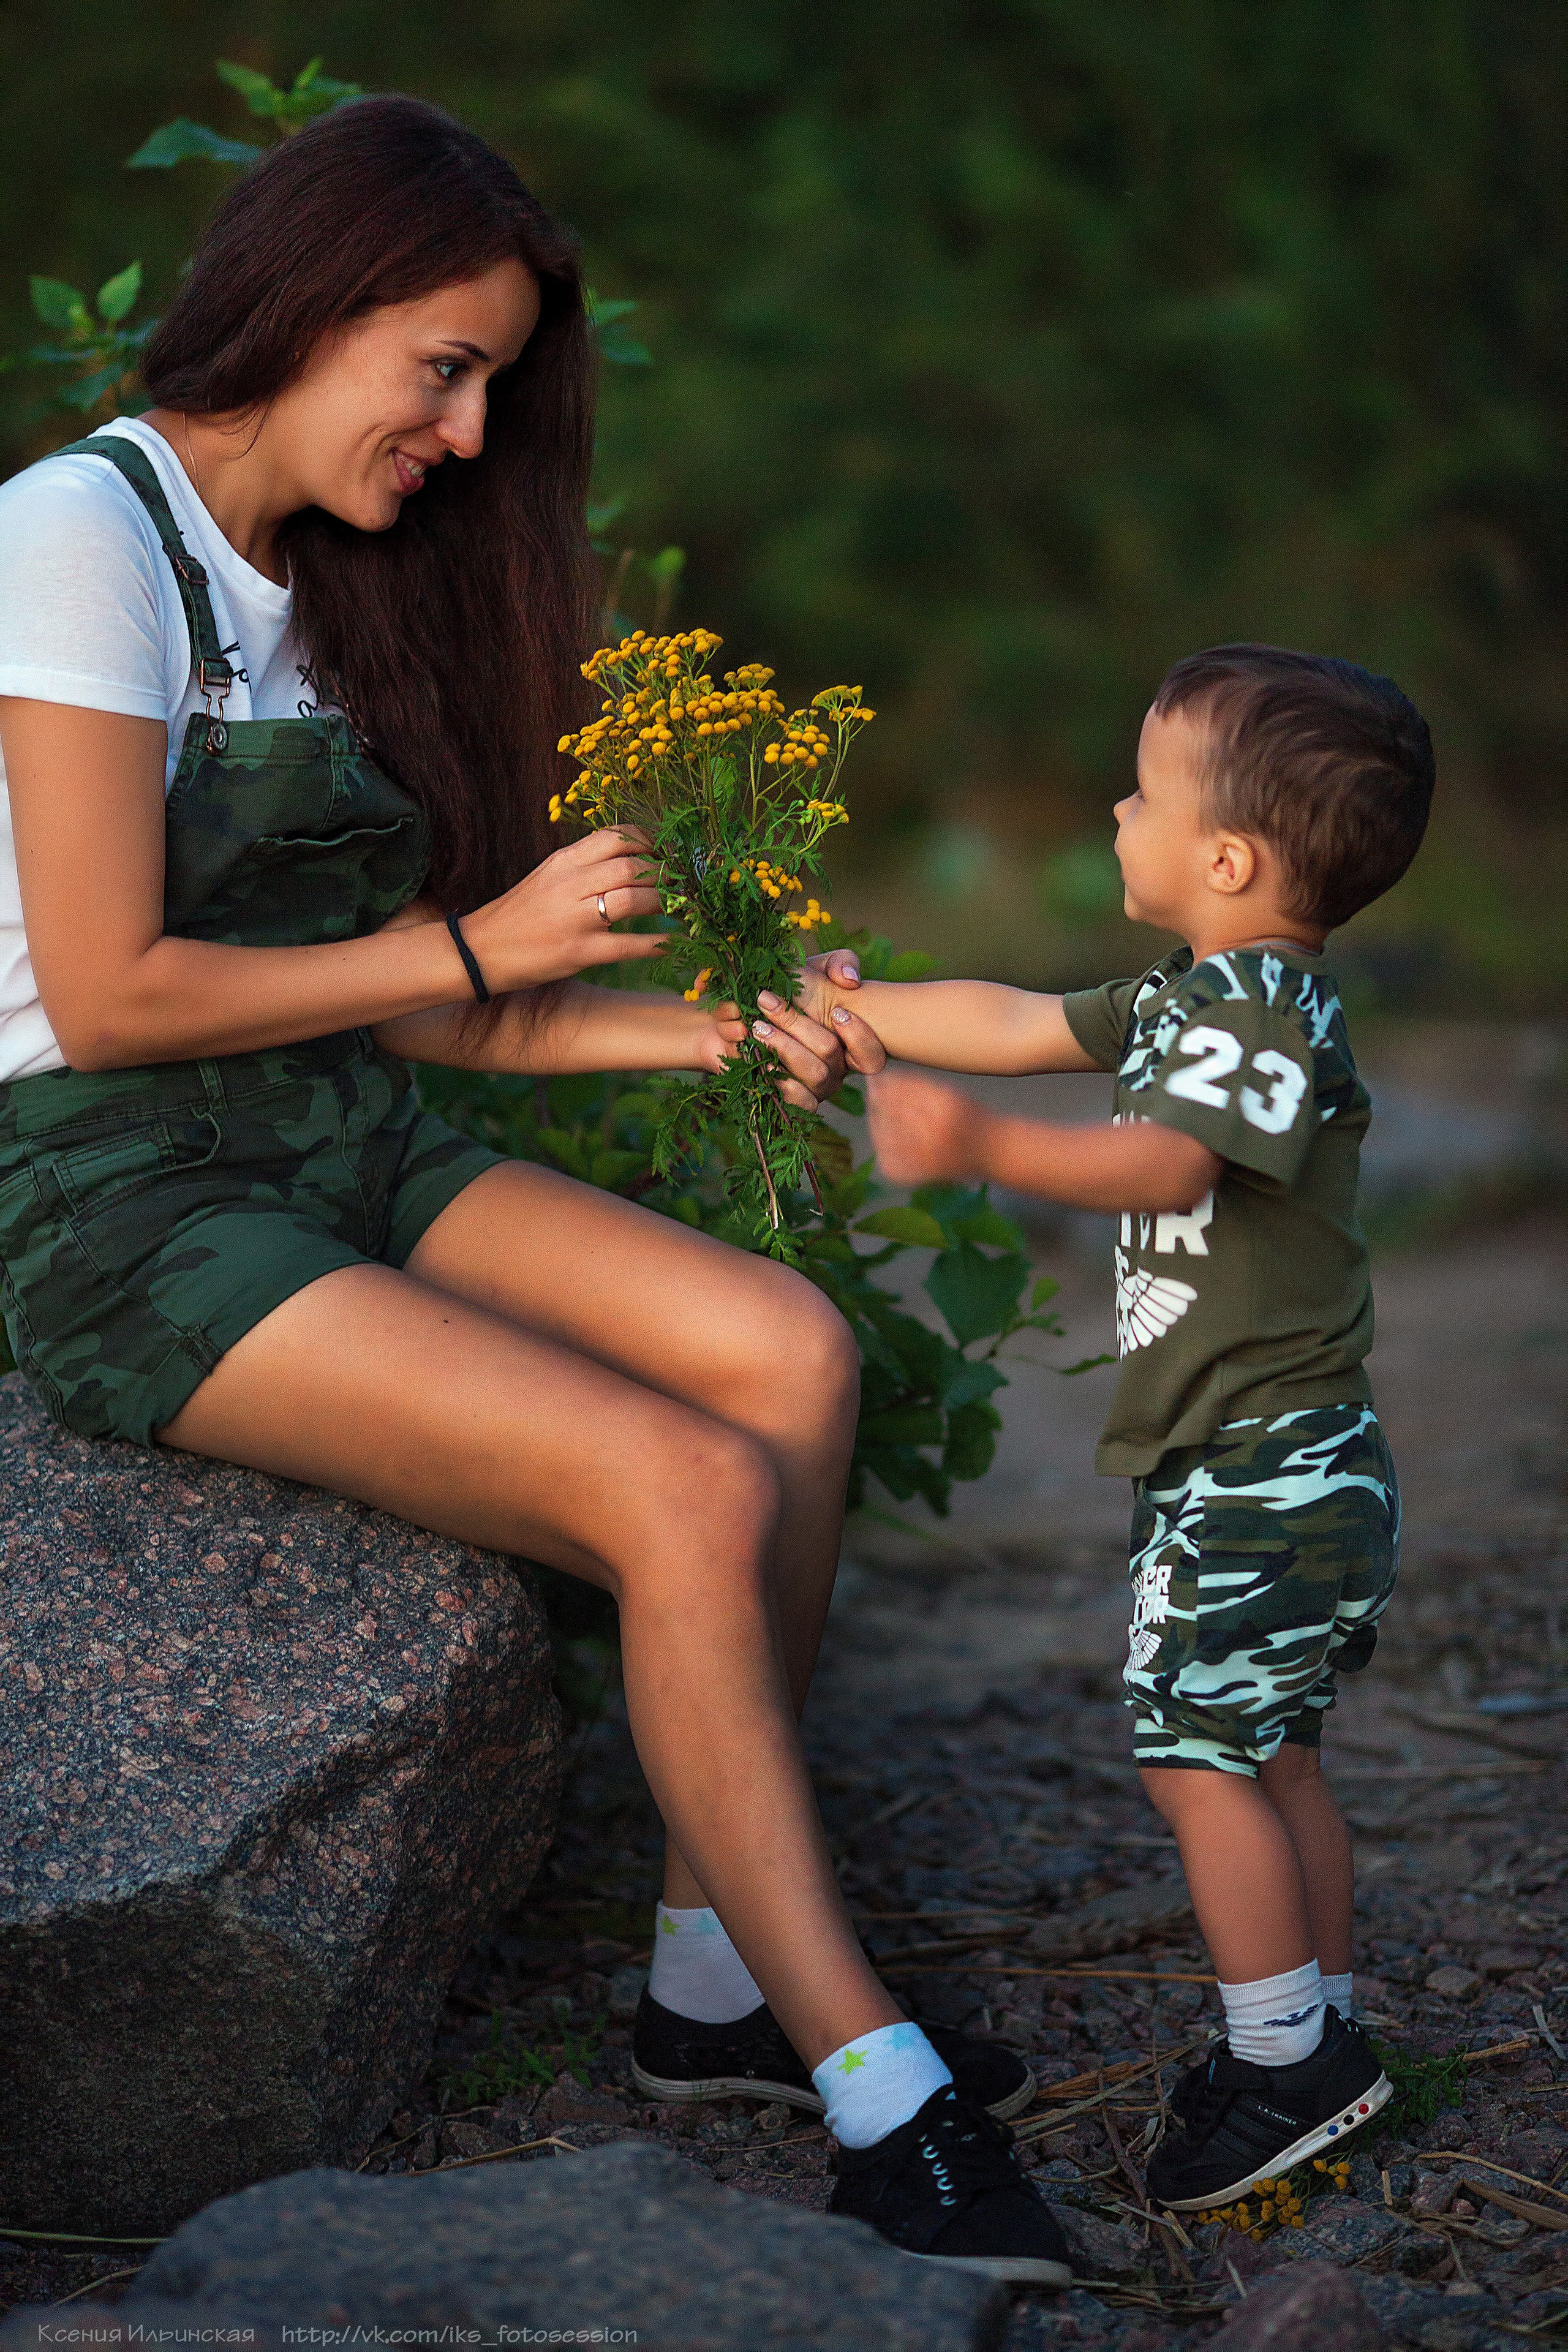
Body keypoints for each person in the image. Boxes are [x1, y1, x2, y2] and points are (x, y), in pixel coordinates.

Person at [0, 97, 1072, 2282]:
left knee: (787, 1348)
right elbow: (111, 994)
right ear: (312, 302)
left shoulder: (337, 585)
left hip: (343, 1127)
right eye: (447, 368)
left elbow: (404, 1017)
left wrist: (710, 1020)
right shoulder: (74, 536)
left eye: (494, 383)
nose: (472, 439)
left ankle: (711, 1989)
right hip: (113, 1189)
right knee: (673, 1483)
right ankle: (883, 2091)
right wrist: (487, 940)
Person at [790, 644, 1433, 2209]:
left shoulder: (1262, 1011)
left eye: (1142, 789)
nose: (1113, 806)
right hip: (1266, 1459)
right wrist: (866, 1009)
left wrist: (979, 1146)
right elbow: (1013, 1014)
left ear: (1226, 857)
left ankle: (1284, 2066)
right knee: (1268, 1753)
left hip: (1261, 1465)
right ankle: (1314, 2037)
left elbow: (1170, 1170)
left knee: (1195, 1755)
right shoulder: (1185, 996)